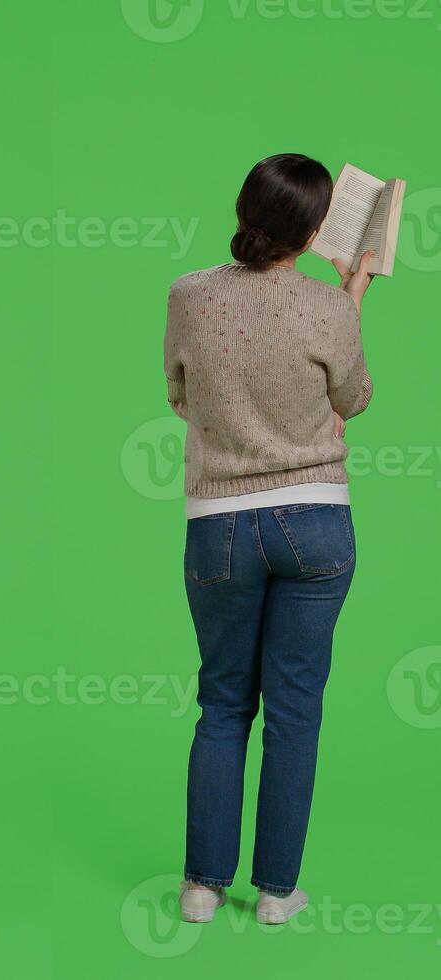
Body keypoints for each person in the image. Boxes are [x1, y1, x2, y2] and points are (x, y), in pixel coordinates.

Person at [165, 152, 376, 926]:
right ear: (319, 230)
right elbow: (352, 397)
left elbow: (181, 396)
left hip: (218, 523)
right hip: (315, 521)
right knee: (295, 711)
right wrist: (351, 299)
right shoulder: (329, 308)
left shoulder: (188, 295)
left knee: (222, 704)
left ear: (242, 206)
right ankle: (278, 893)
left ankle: (199, 885)